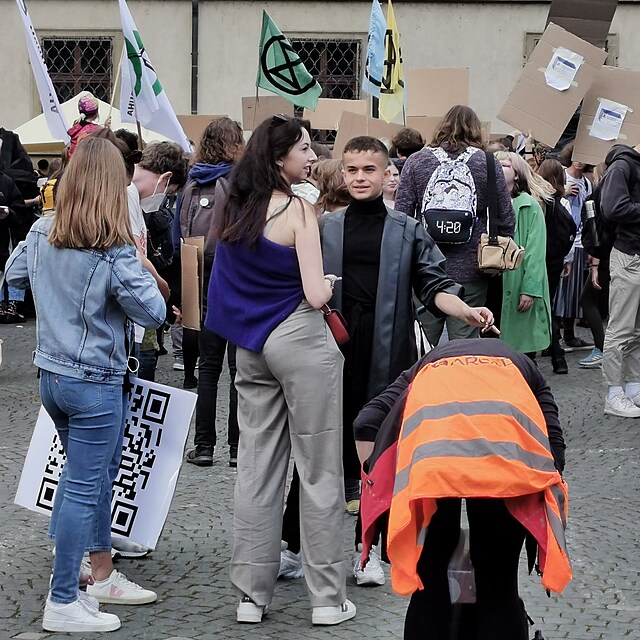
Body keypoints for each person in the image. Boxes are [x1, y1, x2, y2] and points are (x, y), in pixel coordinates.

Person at [281, 135, 498, 588]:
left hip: (387, 354)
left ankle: (372, 552)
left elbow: (434, 285)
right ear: (343, 174)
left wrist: (467, 311)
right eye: (353, 170)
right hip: (330, 352)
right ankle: (294, 546)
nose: (361, 178)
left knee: (379, 456)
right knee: (320, 449)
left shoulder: (408, 230)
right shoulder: (324, 227)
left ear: (386, 175)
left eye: (370, 170)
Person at [5, 138, 168, 633]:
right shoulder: (111, 246)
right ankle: (61, 600)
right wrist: (139, 270)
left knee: (85, 483)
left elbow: (11, 278)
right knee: (83, 488)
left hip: (51, 373)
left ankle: (82, 584)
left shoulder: (40, 228)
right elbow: (155, 312)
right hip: (94, 378)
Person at [206, 114, 356, 626]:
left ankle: (251, 596)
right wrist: (330, 285)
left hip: (249, 344)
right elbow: (316, 294)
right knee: (318, 471)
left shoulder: (233, 208)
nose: (313, 157)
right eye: (306, 149)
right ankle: (327, 598)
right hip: (298, 337)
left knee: (256, 467)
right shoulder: (298, 210)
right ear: (279, 159)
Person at [355, 338, 570, 640]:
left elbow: (366, 423)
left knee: (431, 581)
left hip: (432, 466)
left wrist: (376, 490)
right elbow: (554, 445)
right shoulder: (525, 366)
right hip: (506, 463)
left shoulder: (424, 366)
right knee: (498, 583)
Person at [394, 105, 514, 346]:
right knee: (465, 343)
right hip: (471, 268)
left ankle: (421, 383)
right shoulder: (487, 163)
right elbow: (505, 216)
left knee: (421, 343)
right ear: (475, 130)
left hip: (424, 270)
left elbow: (402, 215)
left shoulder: (417, 161)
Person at [178, 117, 245, 467]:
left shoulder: (191, 183)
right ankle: (236, 449)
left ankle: (204, 446)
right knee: (238, 371)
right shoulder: (240, 182)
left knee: (207, 369)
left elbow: (178, 233)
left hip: (199, 280)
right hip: (233, 280)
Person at [495, 151, 552, 359]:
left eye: (505, 165)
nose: (499, 168)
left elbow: (536, 253)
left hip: (518, 282)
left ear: (517, 174)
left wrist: (529, 289)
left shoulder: (530, 207)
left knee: (521, 354)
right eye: (496, 164)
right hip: (494, 284)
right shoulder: (487, 204)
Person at [599, 143, 640, 417]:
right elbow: (613, 208)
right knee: (621, 329)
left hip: (633, 254)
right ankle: (613, 393)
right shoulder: (623, 165)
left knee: (636, 329)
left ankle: (634, 387)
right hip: (629, 256)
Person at [537, 158, 578, 374]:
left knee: (533, 303)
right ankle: (557, 356)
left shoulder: (536, 199)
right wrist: (567, 260)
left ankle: (534, 354)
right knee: (548, 304)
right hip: (554, 259)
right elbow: (569, 232)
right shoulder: (562, 201)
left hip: (535, 258)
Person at [556, 143, 594, 351]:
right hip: (563, 240)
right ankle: (555, 337)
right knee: (560, 291)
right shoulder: (561, 175)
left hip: (580, 241)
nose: (579, 162)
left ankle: (569, 335)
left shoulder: (587, 183)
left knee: (574, 292)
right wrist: (563, 191)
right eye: (575, 157)